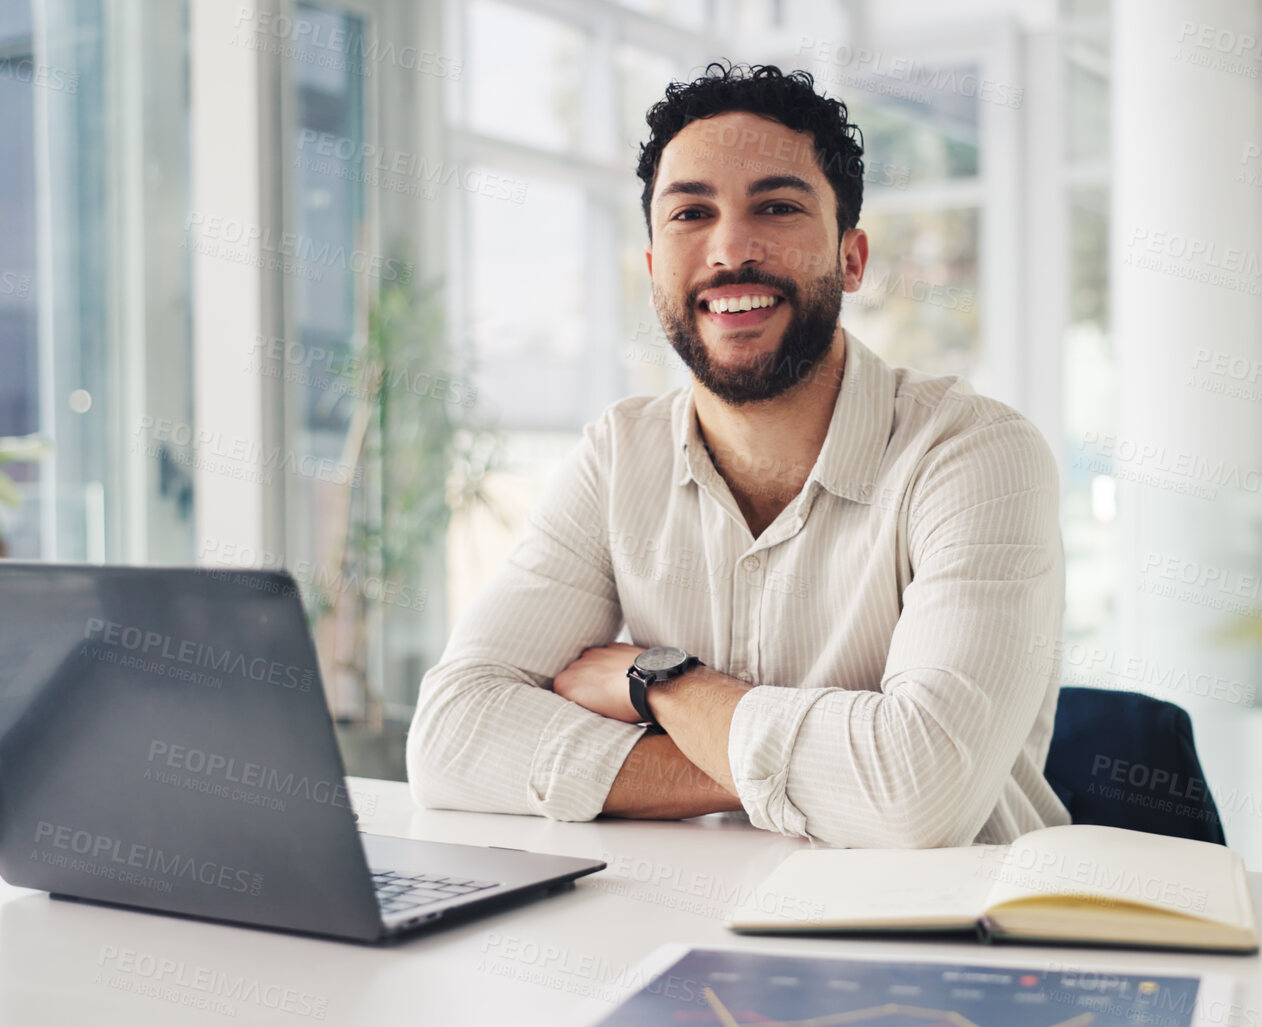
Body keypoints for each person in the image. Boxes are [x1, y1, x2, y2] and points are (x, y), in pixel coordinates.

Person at [406, 63, 1069, 849]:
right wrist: (804, 772)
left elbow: (917, 797)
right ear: (655, 269)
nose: (729, 248)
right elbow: (450, 737)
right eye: (690, 212)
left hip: (949, 946)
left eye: (777, 206)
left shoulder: (976, 454)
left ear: (851, 259)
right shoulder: (620, 454)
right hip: (693, 930)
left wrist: (662, 684)